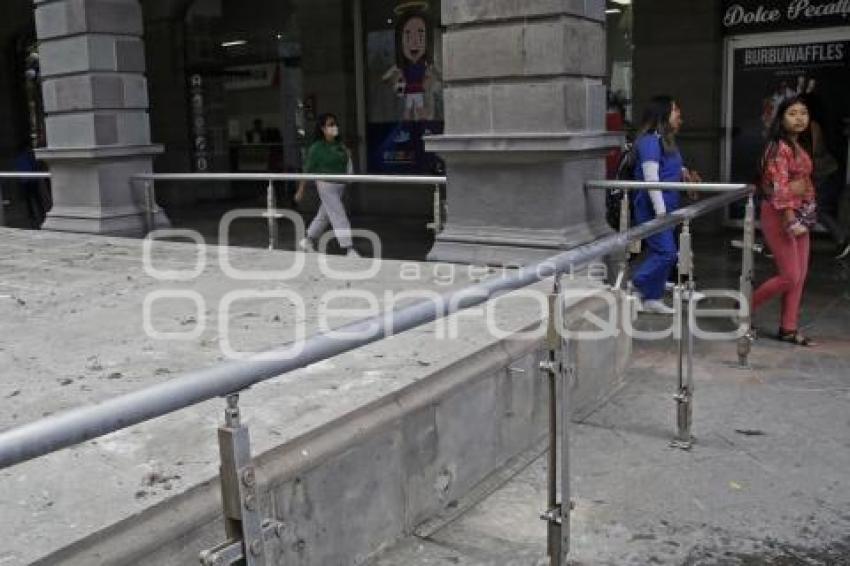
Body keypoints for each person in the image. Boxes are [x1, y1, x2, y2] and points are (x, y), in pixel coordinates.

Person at [752, 96, 817, 346]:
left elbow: (802, 183)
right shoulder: (778, 147)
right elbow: (779, 189)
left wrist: (807, 212)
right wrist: (791, 220)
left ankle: (788, 328)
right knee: (790, 274)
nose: (800, 118)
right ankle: (745, 307)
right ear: (781, 118)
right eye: (792, 113)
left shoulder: (797, 144)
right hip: (781, 215)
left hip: (800, 214)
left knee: (799, 276)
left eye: (803, 113)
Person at [630, 95, 696, 314]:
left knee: (663, 252)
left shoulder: (666, 141)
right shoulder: (649, 141)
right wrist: (660, 211)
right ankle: (635, 284)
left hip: (669, 206)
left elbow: (672, 167)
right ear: (663, 113)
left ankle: (652, 297)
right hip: (654, 209)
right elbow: (651, 179)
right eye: (675, 110)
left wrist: (685, 173)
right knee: (667, 253)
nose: (679, 115)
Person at [295, 113, 359, 258]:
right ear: (323, 128)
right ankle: (349, 248)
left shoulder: (340, 145)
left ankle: (307, 240)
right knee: (338, 214)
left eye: (335, 124)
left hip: (339, 186)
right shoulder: (316, 148)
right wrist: (301, 190)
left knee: (324, 215)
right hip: (325, 185)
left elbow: (346, 164)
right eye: (330, 124)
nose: (334, 127)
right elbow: (307, 170)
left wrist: (348, 154)